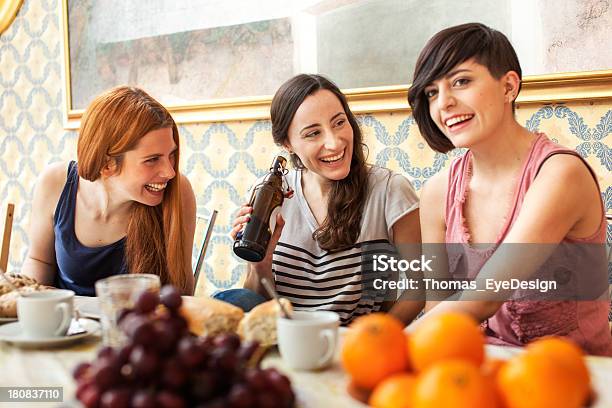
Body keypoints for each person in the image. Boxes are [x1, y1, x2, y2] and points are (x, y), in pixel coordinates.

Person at [408, 23, 611, 355]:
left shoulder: (560, 174)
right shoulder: (437, 191)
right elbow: (438, 311)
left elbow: (484, 297)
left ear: (509, 86)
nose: (444, 103)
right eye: (432, 92)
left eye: (461, 81)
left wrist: (387, 348)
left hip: (570, 381)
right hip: (479, 376)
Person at [225, 74, 423, 324]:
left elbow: (421, 288)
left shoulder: (390, 190)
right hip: (287, 342)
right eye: (313, 133)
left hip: (355, 348)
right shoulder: (270, 194)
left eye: (339, 123)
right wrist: (260, 264)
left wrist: (377, 338)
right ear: (287, 143)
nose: (333, 142)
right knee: (229, 300)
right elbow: (257, 304)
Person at [23, 86, 196, 295]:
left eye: (171, 155)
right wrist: (32, 301)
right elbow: (39, 260)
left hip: (138, 325)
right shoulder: (55, 183)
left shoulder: (179, 191)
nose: (169, 172)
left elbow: (182, 291)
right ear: (107, 164)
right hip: (67, 322)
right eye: (152, 160)